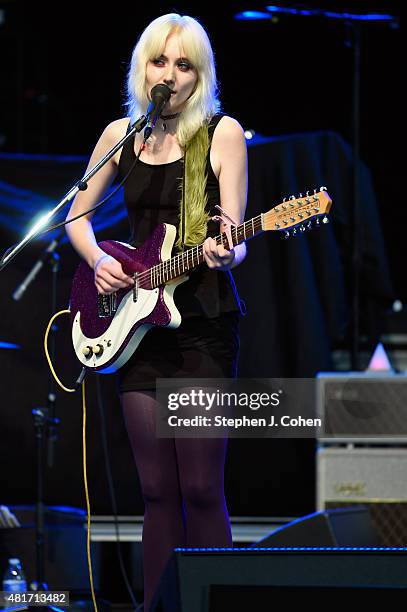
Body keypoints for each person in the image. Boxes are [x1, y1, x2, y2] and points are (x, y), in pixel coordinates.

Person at [65, 13, 247, 611]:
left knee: (198, 487)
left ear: (201, 74)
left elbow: (237, 235)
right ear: (143, 69)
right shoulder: (123, 134)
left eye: (184, 64)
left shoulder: (219, 134)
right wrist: (97, 261)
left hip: (201, 325)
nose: (169, 75)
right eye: (159, 61)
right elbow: (77, 218)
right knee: (156, 491)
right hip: (138, 325)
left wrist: (229, 247)